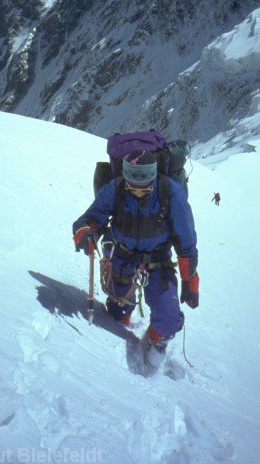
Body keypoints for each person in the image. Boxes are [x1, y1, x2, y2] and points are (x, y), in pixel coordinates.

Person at [72, 150, 199, 364]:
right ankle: (121, 323)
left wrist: (190, 279)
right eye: (133, 185)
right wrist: (86, 232)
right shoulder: (116, 188)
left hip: (158, 261)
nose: (138, 192)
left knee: (169, 319)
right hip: (121, 257)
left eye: (144, 186)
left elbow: (186, 240)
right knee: (117, 313)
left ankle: (154, 344)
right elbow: (92, 217)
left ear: (153, 177)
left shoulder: (170, 192)